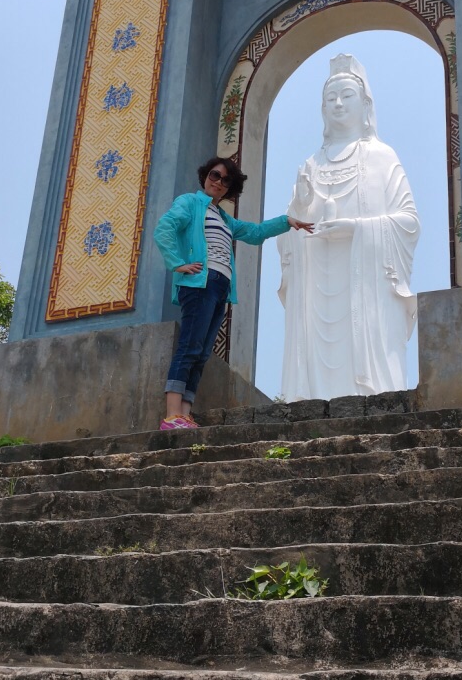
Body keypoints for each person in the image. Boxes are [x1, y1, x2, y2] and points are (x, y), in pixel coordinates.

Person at [277, 54, 420, 401]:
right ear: (322, 108)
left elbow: (409, 223)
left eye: (346, 95)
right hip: (317, 281)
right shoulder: (311, 163)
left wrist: (357, 229)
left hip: (366, 284)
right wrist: (300, 204)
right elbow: (288, 230)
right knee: (311, 361)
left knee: (369, 359)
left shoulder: (382, 155)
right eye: (331, 98)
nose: (338, 104)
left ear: (364, 102)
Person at [154, 156, 313, 430]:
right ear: (205, 176)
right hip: (198, 283)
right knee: (189, 347)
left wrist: (287, 221)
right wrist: (177, 263)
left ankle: (185, 415)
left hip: (220, 287)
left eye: (226, 180)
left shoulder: (225, 219)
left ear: (230, 188)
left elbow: (255, 232)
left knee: (202, 352)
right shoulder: (190, 203)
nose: (218, 182)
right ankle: (171, 415)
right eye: (215, 175)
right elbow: (164, 228)